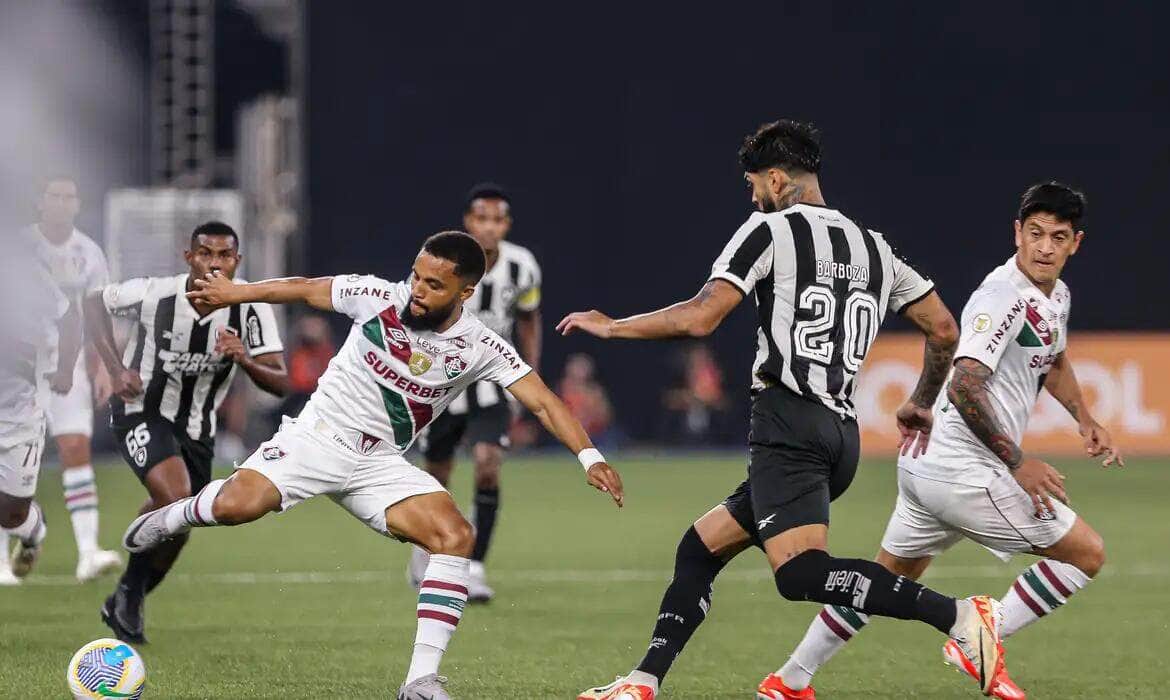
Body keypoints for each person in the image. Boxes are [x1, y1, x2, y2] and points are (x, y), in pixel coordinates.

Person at [562, 119, 1004, 699]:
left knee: (798, 575)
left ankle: (960, 616)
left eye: (753, 184)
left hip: (788, 424)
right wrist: (921, 401)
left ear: (776, 179)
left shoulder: (768, 230)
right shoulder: (874, 246)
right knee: (700, 547)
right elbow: (944, 329)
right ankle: (643, 682)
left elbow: (702, 315)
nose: (752, 197)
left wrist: (614, 327)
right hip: (840, 434)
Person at [119, 231, 623, 700]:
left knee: (455, 537)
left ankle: (420, 680)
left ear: (464, 293)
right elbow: (303, 289)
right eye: (416, 276)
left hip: (380, 463)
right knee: (235, 508)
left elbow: (543, 402)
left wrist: (589, 456)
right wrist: (237, 292)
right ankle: (172, 516)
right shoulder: (377, 296)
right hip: (316, 439)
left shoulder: (480, 346)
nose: (417, 291)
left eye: (433, 284)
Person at [765, 182, 1115, 700]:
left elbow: (1054, 358)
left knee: (881, 583)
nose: (1044, 247)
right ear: (1017, 232)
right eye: (1035, 234)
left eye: (1057, 237)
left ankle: (789, 680)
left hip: (927, 466)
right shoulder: (1001, 298)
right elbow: (965, 383)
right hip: (963, 469)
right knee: (1086, 553)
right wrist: (1018, 462)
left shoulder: (1055, 295)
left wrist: (1085, 417)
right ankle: (980, 632)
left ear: (1075, 243)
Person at [85, 221, 288, 643]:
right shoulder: (154, 294)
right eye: (205, 254)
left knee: (182, 523)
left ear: (237, 261)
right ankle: (129, 594)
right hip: (140, 411)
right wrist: (115, 368)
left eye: (224, 256)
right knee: (174, 496)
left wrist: (245, 359)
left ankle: (128, 593)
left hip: (197, 427)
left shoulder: (250, 306)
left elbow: (280, 381)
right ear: (188, 256)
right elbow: (91, 303)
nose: (214, 263)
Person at [410, 184, 543, 602]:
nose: (489, 227)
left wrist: (527, 376)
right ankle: (426, 550)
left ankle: (476, 566)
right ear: (468, 221)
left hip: (491, 384)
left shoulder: (523, 268)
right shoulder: (442, 260)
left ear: (507, 225)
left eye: (497, 219)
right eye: (481, 218)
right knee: (437, 475)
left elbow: (529, 320)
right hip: (441, 383)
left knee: (488, 464)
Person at [22, 176, 122, 581]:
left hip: (72, 365)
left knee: (76, 448)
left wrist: (102, 369)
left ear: (77, 204)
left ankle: (88, 553)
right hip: (17, 367)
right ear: (40, 201)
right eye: (54, 195)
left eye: (69, 196)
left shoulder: (89, 253)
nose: (62, 203)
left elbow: (96, 315)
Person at [0, 232, 82, 585]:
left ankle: (35, 530)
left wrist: (65, 368)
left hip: (19, 412)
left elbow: (71, 318)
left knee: (12, 512)